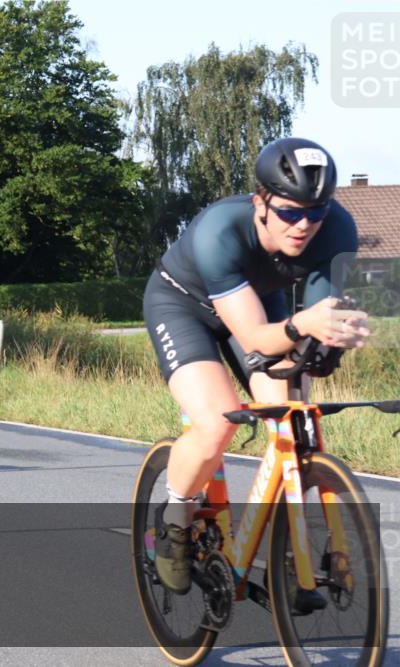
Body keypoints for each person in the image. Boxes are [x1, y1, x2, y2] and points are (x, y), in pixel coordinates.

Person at [142, 137, 370, 594]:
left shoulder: (338, 229)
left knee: (291, 414)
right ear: (260, 201)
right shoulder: (218, 231)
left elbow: (316, 318)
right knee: (214, 423)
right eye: (288, 212)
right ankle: (173, 522)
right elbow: (255, 338)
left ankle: (290, 541)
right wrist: (303, 323)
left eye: (316, 212)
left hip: (255, 300)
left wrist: (331, 341)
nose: (303, 224)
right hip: (182, 305)